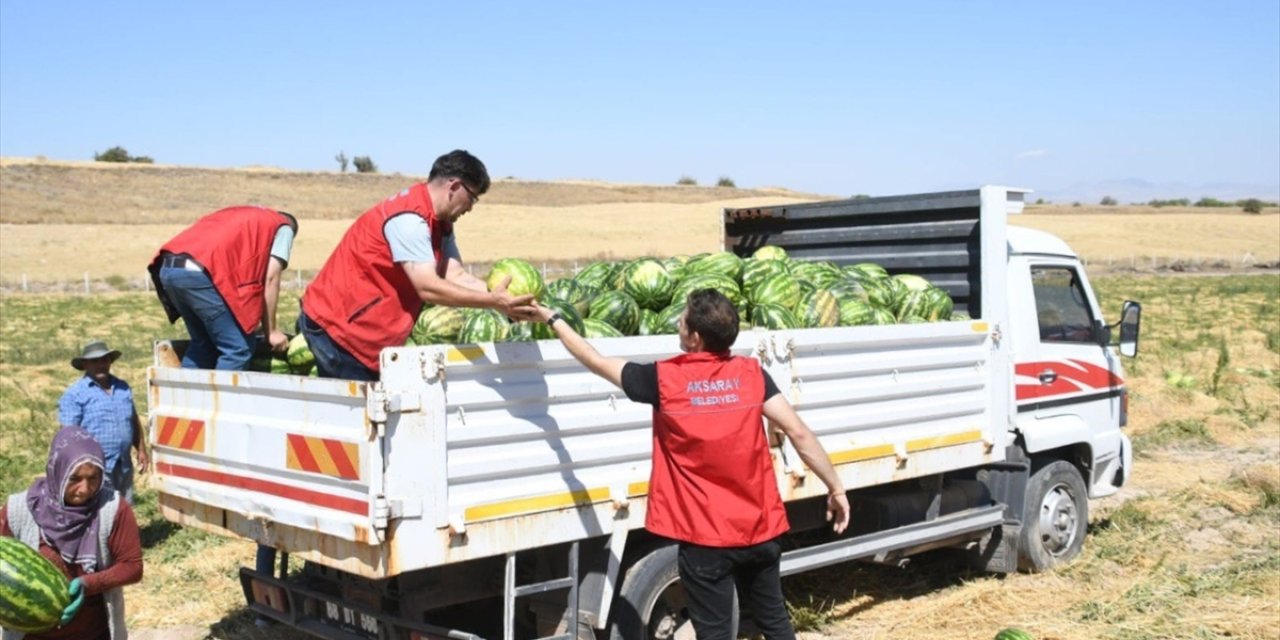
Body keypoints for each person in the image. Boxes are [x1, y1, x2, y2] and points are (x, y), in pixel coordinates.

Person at [534, 289, 850, 639]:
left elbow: (595, 360)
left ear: (695, 337)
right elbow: (798, 433)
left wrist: (554, 319)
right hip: (760, 530)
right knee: (774, 622)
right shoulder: (751, 375)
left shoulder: (664, 380)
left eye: (682, 319)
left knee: (714, 633)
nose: (678, 322)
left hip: (706, 542)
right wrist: (835, 487)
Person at [298, 149, 537, 381]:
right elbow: (428, 288)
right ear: (454, 187)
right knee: (362, 415)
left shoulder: (440, 221)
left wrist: (508, 298)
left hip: (364, 328)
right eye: (472, 198)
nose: (471, 207)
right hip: (339, 328)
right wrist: (494, 302)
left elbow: (454, 275)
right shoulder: (409, 220)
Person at [1, 427, 143, 640]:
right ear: (57, 470)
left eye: (93, 478)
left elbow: (132, 566)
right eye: (75, 478)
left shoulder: (112, 509)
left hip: (93, 633)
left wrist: (89, 584)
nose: (85, 489)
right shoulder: (19, 509)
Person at [147, 205, 298, 370]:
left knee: (204, 344)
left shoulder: (244, 217)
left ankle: (189, 394)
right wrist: (272, 331)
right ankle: (222, 396)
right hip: (200, 273)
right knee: (237, 349)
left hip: (169, 269)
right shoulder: (283, 227)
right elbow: (270, 278)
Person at [58, 341, 148, 506]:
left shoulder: (122, 388)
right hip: (93, 466)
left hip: (123, 462)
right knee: (98, 508)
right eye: (95, 361)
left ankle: (121, 532)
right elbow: (67, 434)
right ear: (85, 364)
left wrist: (141, 448)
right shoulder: (75, 394)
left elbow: (133, 419)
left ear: (110, 361)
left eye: (104, 360)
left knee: (123, 506)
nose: (101, 365)